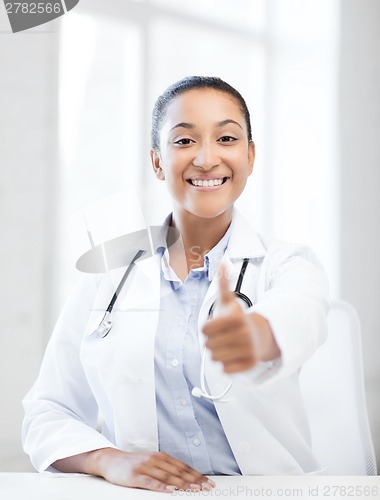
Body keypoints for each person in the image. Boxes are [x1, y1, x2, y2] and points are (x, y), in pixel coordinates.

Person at [22, 76, 330, 492]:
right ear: (157, 161)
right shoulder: (110, 274)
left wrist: (256, 335)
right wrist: (108, 459)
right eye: (184, 141)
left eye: (226, 138)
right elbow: (47, 411)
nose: (206, 159)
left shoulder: (287, 263)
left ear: (250, 156)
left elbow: (299, 313)